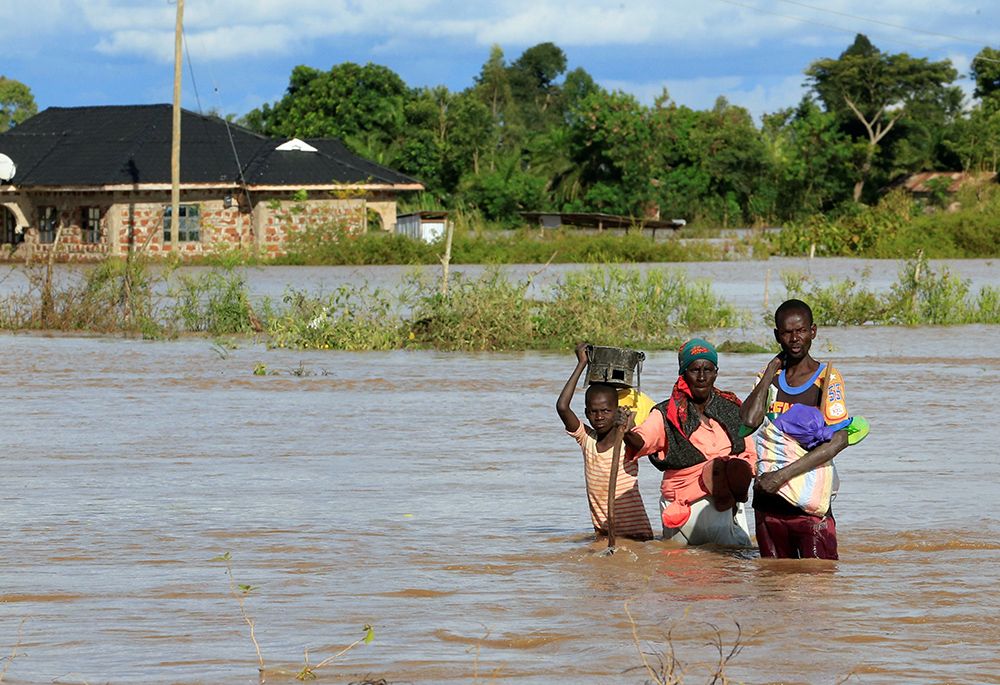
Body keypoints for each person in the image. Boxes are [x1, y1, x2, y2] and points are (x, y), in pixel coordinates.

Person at [739, 299, 856, 560]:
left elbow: (838, 441)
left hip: (809, 506)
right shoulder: (767, 378)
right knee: (772, 588)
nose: (794, 338)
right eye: (787, 332)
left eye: (801, 330)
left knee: (817, 588)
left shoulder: (827, 378)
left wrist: (780, 477)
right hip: (768, 505)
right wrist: (770, 372)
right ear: (777, 335)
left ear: (813, 331)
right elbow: (748, 421)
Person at [621, 339, 755, 547]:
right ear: (683, 373)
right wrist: (627, 431)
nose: (702, 377)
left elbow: (749, 455)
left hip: (726, 504)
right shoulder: (665, 413)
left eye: (708, 369)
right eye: (694, 370)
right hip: (682, 507)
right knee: (683, 571)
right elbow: (642, 440)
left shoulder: (731, 408)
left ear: (716, 373)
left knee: (733, 568)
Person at [557, 343, 654, 541]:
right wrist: (582, 364)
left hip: (637, 536)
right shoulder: (587, 441)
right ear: (586, 413)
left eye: (606, 411)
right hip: (604, 534)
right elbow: (562, 407)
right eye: (593, 411)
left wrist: (626, 429)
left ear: (616, 411)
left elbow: (640, 444)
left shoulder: (626, 442)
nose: (599, 417)